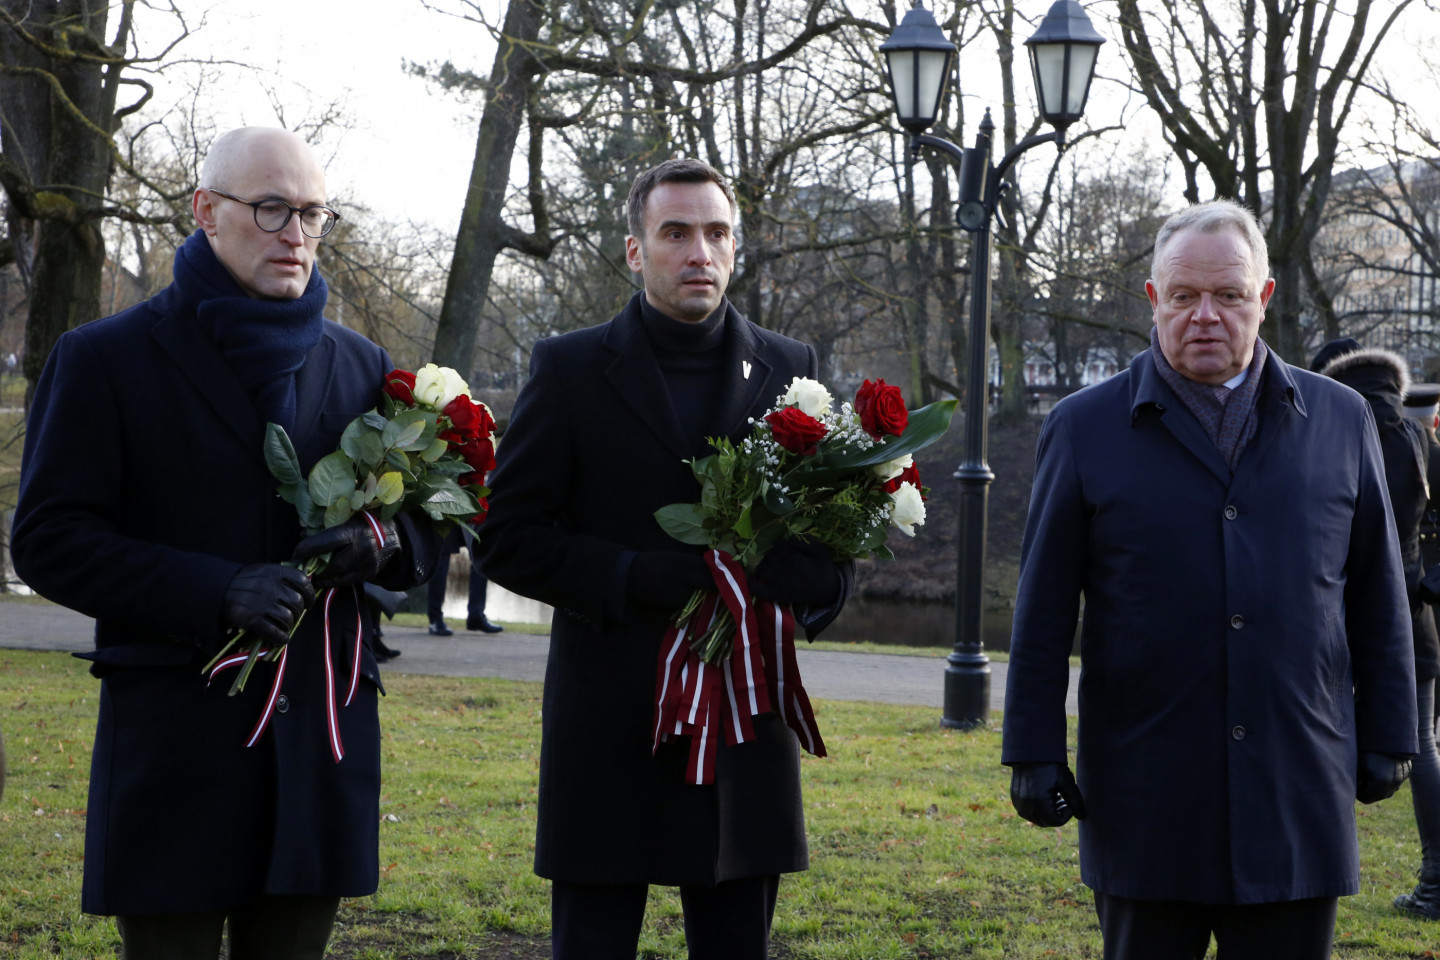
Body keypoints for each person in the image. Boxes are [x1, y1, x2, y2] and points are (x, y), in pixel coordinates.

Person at [11, 127, 438, 960]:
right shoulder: (103, 358)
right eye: (272, 208)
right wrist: (213, 590)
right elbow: (49, 540)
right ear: (206, 211)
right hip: (177, 747)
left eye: (313, 214)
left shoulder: (363, 364)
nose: (296, 234)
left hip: (319, 747)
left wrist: (382, 542)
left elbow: (426, 521)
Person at [1002, 198, 1418, 960]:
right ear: (1153, 300)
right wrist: (1031, 748)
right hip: (1147, 797)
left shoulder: (1342, 420)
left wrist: (1392, 729)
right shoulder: (1084, 428)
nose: (1205, 316)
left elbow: (1378, 593)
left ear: (1262, 298)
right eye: (1184, 295)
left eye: (1228, 295)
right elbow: (1044, 608)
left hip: (1296, 789)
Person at [476, 157, 853, 959]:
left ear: (735, 247)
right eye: (676, 233)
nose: (699, 253)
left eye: (717, 233)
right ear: (635, 250)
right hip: (610, 719)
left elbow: (830, 530)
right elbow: (506, 536)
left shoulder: (792, 367)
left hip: (743, 721)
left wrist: (818, 580)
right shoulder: (569, 367)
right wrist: (629, 576)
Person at [427, 526, 503, 635]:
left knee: (480, 553)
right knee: (442, 554)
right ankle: (436, 619)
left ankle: (475, 616)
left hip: (470, 517)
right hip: (448, 518)